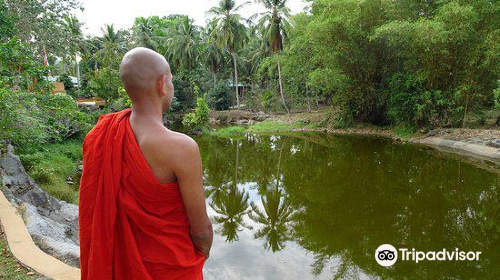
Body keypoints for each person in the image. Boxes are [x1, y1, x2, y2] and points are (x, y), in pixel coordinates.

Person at [79, 47, 213, 280]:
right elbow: (201, 230)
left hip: (116, 267)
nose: (172, 87)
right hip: (170, 267)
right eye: (171, 80)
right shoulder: (182, 148)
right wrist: (200, 256)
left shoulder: (98, 135)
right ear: (162, 84)